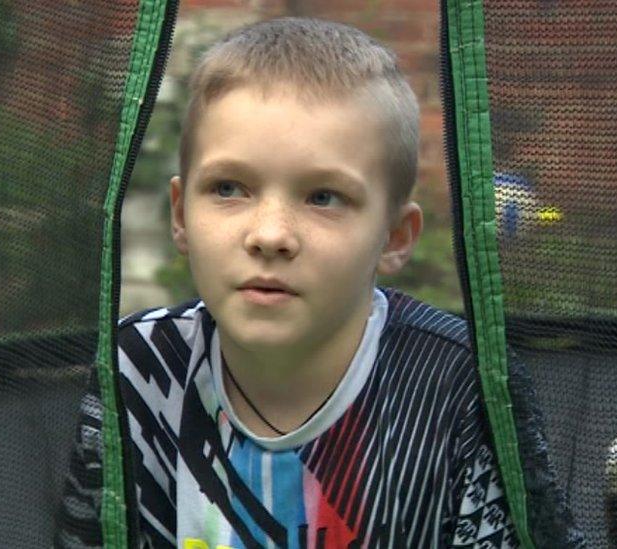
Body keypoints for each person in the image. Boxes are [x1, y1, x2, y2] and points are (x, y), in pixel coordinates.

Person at [58, 17, 518, 549]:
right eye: (229, 188)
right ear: (181, 214)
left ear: (394, 237)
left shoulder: (457, 388)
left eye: (323, 197)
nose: (271, 235)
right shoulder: (136, 369)